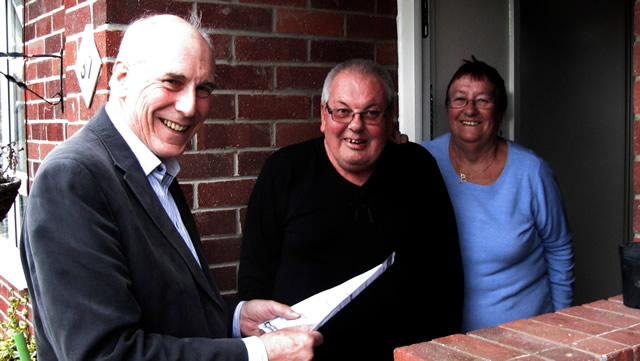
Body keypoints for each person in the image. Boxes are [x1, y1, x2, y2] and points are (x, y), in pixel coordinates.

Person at [20, 14, 323, 361]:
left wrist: (237, 318)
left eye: (203, 88)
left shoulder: (156, 169)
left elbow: (168, 310)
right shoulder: (73, 179)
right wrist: (258, 353)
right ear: (122, 79)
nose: (190, 106)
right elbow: (104, 353)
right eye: (172, 82)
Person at [237, 59, 464, 360]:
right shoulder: (285, 172)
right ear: (323, 114)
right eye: (343, 111)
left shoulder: (417, 169)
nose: (355, 125)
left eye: (371, 113)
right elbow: (254, 279)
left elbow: (447, 276)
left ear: (389, 117)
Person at [421, 56, 575, 333]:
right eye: (460, 99)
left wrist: (560, 324)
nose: (470, 110)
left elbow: (559, 250)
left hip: (523, 336)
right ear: (447, 109)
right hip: (446, 338)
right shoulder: (422, 161)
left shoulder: (532, 172)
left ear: (501, 112)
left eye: (483, 100)